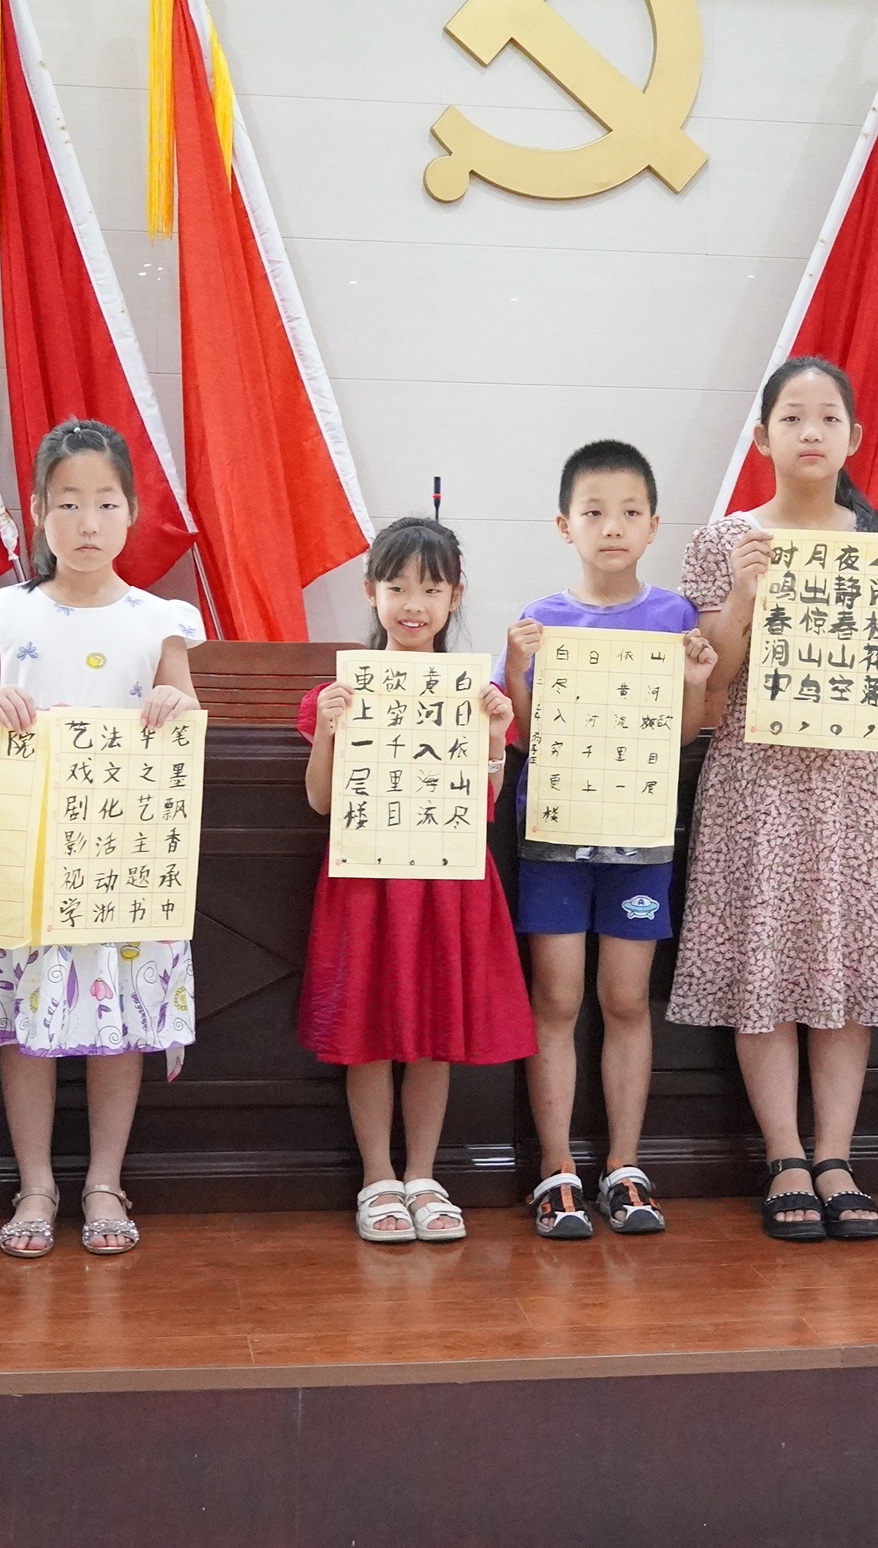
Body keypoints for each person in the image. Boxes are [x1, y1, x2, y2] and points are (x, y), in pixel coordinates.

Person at [677, 356, 878, 1243]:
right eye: (792, 417)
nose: (811, 432)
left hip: (857, 786)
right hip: (756, 778)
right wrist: (743, 594)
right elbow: (712, 678)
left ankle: (836, 1156)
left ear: (854, 437)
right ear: (763, 438)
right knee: (766, 966)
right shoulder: (724, 540)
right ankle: (784, 1155)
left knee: (846, 972)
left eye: (828, 417)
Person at [0, 421, 203, 1257]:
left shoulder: (158, 621)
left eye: (106, 503)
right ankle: (36, 1185)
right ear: (38, 513)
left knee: (115, 1021)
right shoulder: (5, 613)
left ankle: (104, 1183)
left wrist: (173, 705)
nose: (88, 522)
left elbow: (190, 718)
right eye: (69, 504)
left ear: (133, 511)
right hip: (22, 846)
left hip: (120, 848)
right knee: (27, 1021)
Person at [499, 440, 718, 1238]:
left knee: (626, 999)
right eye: (594, 512)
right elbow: (523, 737)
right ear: (565, 525)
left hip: (639, 840)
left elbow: (685, 735)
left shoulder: (675, 618)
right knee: (556, 999)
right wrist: (515, 670)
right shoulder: (539, 620)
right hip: (555, 839)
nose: (613, 526)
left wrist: (696, 684)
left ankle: (625, 1165)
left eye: (630, 511)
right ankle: (556, 1166)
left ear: (655, 524)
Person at [300, 517, 531, 1243]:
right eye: (397, 586)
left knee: (433, 1032)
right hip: (367, 884)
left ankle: (424, 1176)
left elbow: (485, 805)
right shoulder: (339, 691)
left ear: (455, 596)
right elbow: (322, 801)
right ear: (370, 591)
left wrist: (492, 737)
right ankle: (378, 1178)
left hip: (447, 882)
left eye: (431, 589)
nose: (413, 604)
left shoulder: (477, 694)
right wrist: (329, 730)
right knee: (367, 1032)